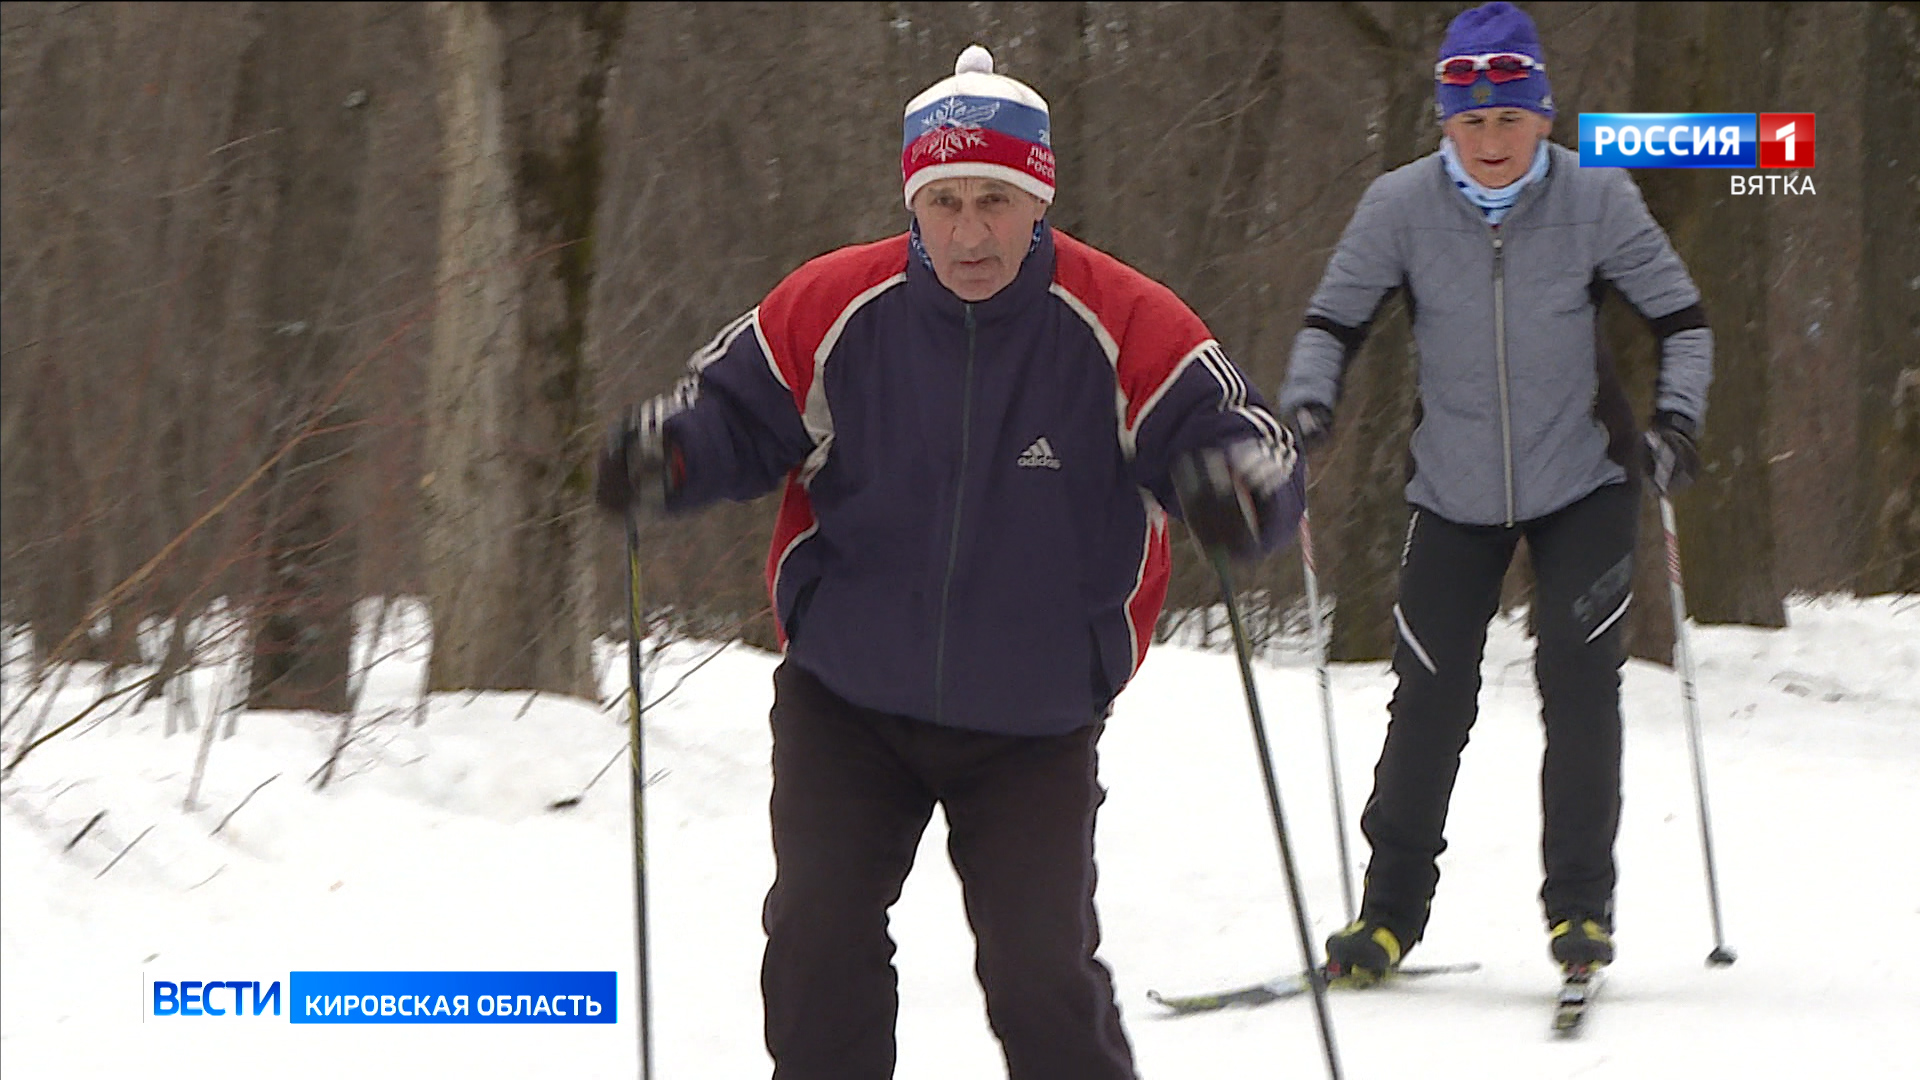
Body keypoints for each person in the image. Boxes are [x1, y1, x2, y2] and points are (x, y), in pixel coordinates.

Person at [594, 44, 1306, 1080]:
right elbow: (732, 414)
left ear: (1039, 200)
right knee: (816, 945)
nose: (970, 234)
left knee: (1039, 977)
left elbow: (1243, 439)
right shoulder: (836, 303)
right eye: (945, 203)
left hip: (1034, 716)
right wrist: (670, 455)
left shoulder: (1125, 322)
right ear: (913, 204)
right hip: (848, 695)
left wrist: (1240, 491)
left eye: (995, 202)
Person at [1274, 1, 1712, 980]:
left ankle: (1580, 913)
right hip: (1452, 490)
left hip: (1586, 480)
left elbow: (1682, 320)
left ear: (1544, 116)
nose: (1491, 141)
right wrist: (1308, 406)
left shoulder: (1598, 198)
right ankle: (1387, 917)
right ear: (1446, 123)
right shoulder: (1399, 205)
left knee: (1578, 683)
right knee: (1429, 699)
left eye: (1510, 118)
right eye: (1471, 122)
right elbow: (1332, 323)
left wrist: (1678, 425)